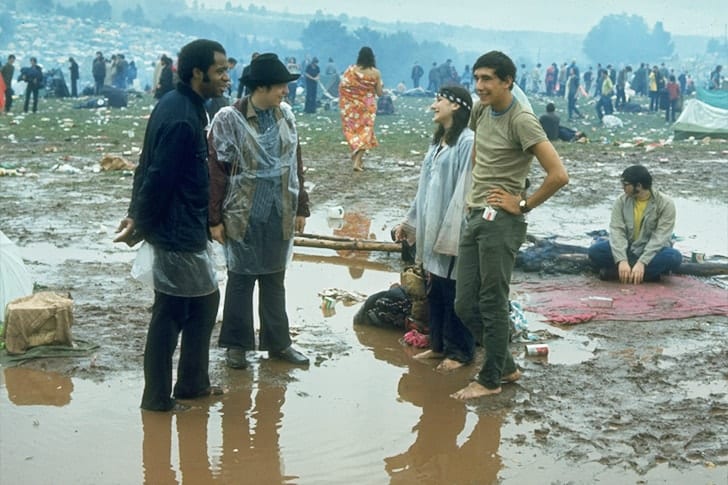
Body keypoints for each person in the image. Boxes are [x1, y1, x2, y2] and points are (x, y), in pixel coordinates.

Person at [113, 39, 230, 412]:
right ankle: (159, 399)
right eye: (220, 71)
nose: (226, 78)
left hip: (182, 224)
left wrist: (136, 213)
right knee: (173, 311)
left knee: (198, 304)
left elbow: (144, 165)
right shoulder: (182, 116)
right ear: (198, 73)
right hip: (177, 229)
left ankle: (191, 384)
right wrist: (141, 222)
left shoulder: (179, 105)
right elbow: (159, 174)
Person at [451, 51, 569, 400]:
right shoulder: (480, 109)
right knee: (464, 304)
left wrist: (521, 204)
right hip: (475, 214)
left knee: (492, 301)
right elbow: (479, 154)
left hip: (502, 221)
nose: (480, 86)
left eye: (487, 79)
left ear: (507, 81)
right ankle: (506, 366)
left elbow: (558, 175)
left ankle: (490, 380)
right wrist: (472, 197)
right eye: (476, 78)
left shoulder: (523, 120)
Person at [208, 53, 311, 369]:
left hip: (279, 208)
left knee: (274, 278)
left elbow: (295, 162)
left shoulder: (286, 116)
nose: (285, 91)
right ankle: (237, 346)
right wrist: (214, 219)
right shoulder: (230, 118)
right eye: (280, 86)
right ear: (261, 88)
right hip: (243, 209)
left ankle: (279, 343)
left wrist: (301, 207)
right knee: (241, 277)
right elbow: (216, 170)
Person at [393, 86, 475, 372]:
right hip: (432, 225)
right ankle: (438, 346)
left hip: (452, 228)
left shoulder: (467, 142)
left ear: (456, 106)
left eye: (439, 100)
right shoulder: (438, 142)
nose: (433, 106)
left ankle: (460, 352)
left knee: (454, 292)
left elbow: (465, 190)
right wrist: (410, 222)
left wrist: (453, 230)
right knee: (436, 289)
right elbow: (423, 190)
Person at [587, 165, 682, 284]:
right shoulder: (621, 201)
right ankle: (646, 275)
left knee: (674, 257)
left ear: (639, 186)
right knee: (595, 251)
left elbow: (660, 238)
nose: (623, 188)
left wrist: (643, 262)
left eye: (626, 184)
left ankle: (615, 273)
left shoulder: (666, 204)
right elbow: (617, 231)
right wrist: (621, 260)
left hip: (651, 251)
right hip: (628, 248)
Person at [339, 46, 383, 171]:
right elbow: (379, 93)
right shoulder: (375, 73)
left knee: (353, 131)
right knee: (366, 132)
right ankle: (357, 161)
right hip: (367, 107)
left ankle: (356, 156)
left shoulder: (351, 70)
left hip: (351, 107)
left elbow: (343, 86)